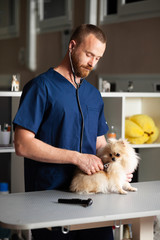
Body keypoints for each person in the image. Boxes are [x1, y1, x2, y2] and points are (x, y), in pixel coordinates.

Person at [13, 24, 132, 240]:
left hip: (93, 199)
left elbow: (99, 146)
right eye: (89, 54)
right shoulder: (41, 87)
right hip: (48, 201)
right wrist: (76, 158)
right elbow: (22, 144)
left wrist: (116, 170)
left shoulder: (94, 95)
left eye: (98, 58)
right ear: (72, 46)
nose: (92, 63)